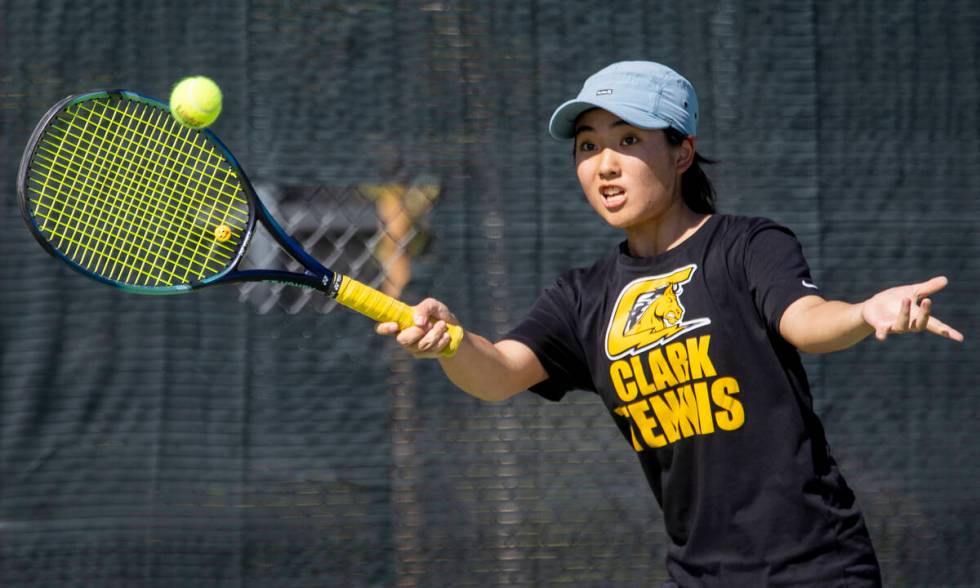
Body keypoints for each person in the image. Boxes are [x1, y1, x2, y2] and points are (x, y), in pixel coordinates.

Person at [375, 61, 964, 587]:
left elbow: (806, 321)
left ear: (681, 152)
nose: (604, 165)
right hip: (698, 575)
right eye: (586, 146)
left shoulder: (747, 245)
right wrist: (449, 339)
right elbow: (498, 372)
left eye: (627, 140)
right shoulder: (582, 296)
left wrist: (863, 313)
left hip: (815, 568)